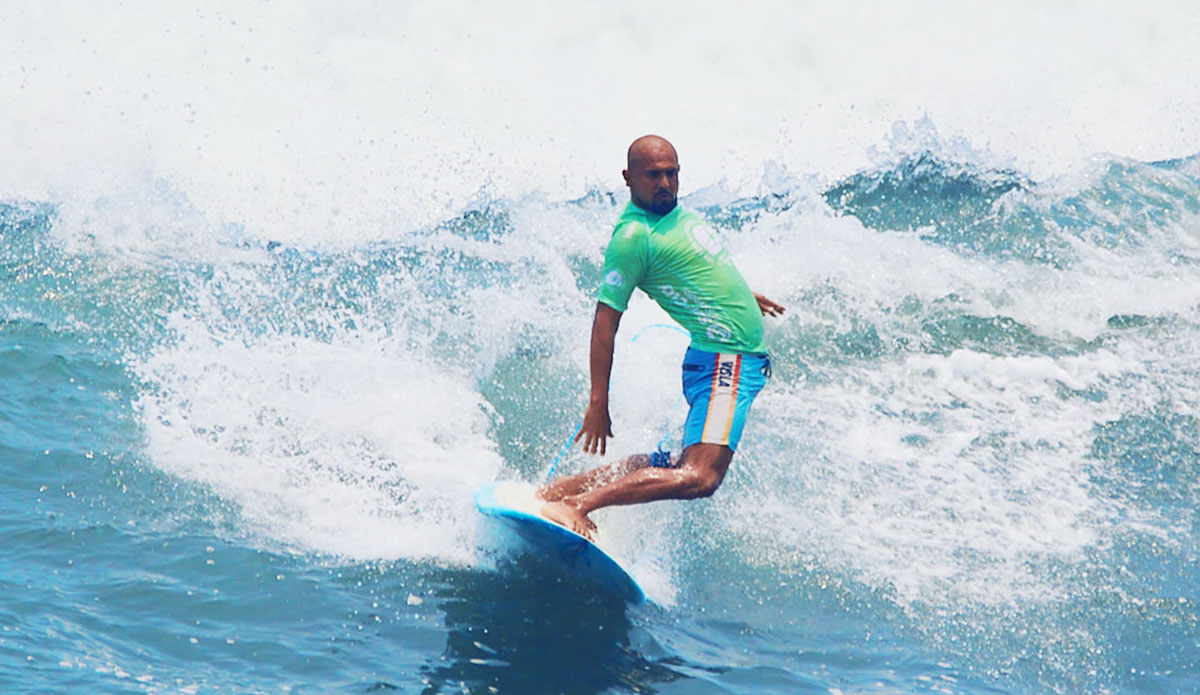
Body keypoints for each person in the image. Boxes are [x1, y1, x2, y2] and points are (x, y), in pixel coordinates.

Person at [538, 135, 785, 540]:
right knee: (700, 476)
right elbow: (604, 322)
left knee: (676, 464)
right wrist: (598, 401)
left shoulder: (672, 213)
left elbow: (697, 264)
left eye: (672, 173)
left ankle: (558, 491)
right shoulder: (634, 238)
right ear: (628, 177)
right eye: (653, 175)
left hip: (729, 358)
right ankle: (575, 505)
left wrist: (740, 298)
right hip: (726, 361)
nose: (665, 183)